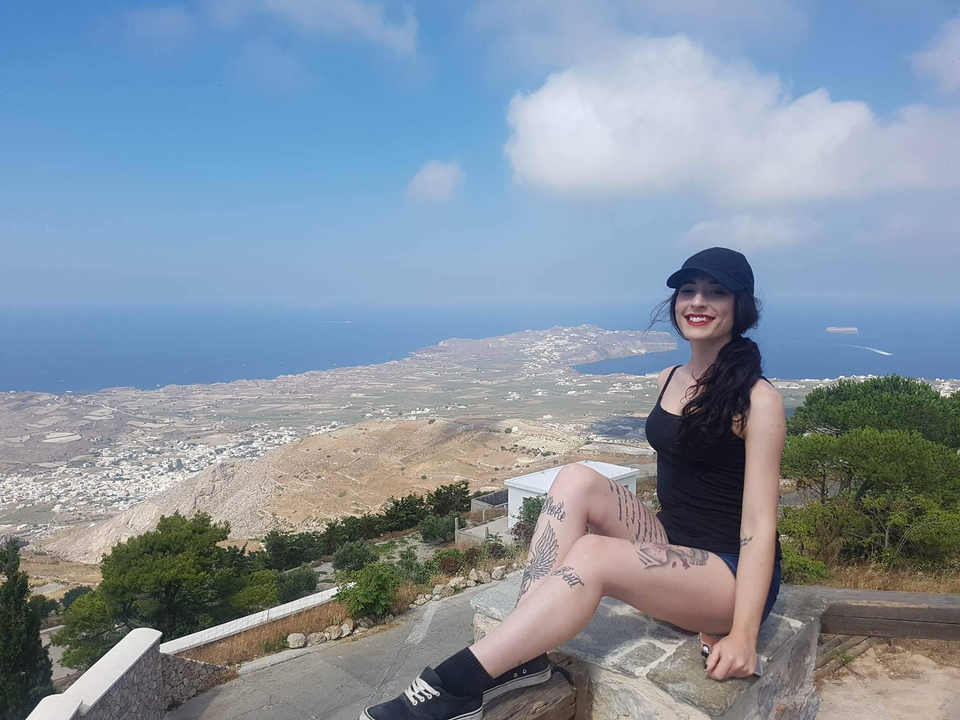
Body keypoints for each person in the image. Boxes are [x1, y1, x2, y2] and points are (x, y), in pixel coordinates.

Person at [361, 246, 785, 720]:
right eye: (688, 291)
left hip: (726, 577)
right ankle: (523, 657)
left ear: (740, 306)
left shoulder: (758, 400)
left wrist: (744, 633)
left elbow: (759, 524)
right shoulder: (670, 377)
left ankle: (457, 684)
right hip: (672, 547)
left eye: (716, 292)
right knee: (576, 478)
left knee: (591, 555)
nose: (698, 302)